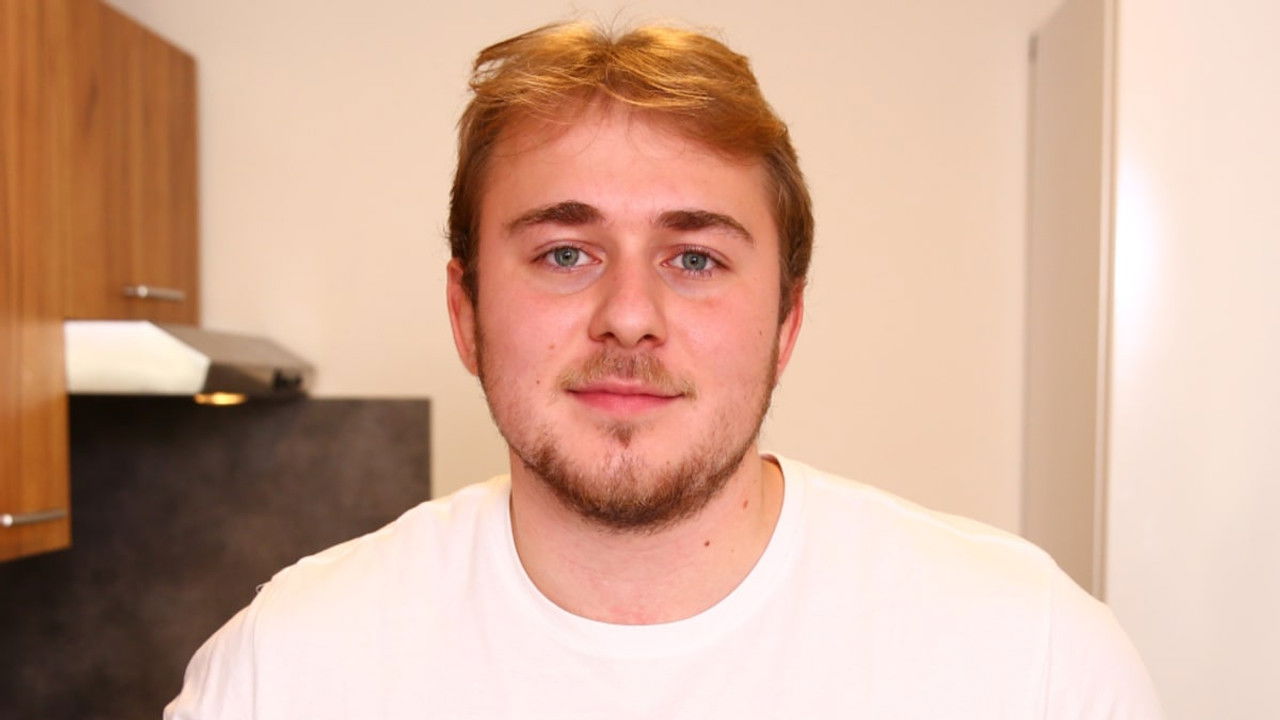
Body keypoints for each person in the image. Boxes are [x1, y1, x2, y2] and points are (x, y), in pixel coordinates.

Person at [167, 21, 1162, 719]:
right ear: (466, 312)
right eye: (565, 252)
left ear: (786, 323)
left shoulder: (1029, 662)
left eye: (694, 258)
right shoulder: (286, 672)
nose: (630, 316)